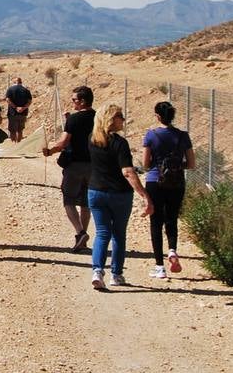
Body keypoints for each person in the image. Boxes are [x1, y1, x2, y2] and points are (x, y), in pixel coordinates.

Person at [86, 104, 153, 289]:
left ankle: (97, 271)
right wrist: (144, 195)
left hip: (95, 191)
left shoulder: (91, 139)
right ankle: (116, 274)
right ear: (110, 119)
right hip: (119, 194)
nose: (123, 119)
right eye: (119, 116)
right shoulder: (119, 143)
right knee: (118, 234)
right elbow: (128, 172)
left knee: (101, 232)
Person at [140, 101, 194, 280]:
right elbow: (192, 163)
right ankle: (172, 251)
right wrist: (176, 166)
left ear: (157, 116)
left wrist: (160, 165)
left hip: (155, 181)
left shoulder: (151, 135)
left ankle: (159, 267)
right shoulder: (183, 136)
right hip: (177, 182)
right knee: (172, 218)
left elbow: (146, 164)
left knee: (156, 222)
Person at [43, 85, 96, 252]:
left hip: (74, 165)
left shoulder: (74, 120)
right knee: (86, 202)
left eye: (74, 100)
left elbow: (64, 142)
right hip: (93, 164)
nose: (72, 102)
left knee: (69, 200)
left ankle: (80, 233)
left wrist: (50, 151)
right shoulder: (98, 118)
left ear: (82, 102)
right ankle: (84, 237)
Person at [4, 77, 33, 144]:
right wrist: (23, 108)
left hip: (12, 113)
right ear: (21, 82)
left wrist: (15, 107)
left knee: (12, 130)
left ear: (14, 82)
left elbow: (8, 100)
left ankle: (13, 145)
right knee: (20, 130)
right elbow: (29, 101)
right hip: (23, 113)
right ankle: (19, 144)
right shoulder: (26, 90)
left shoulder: (10, 89)